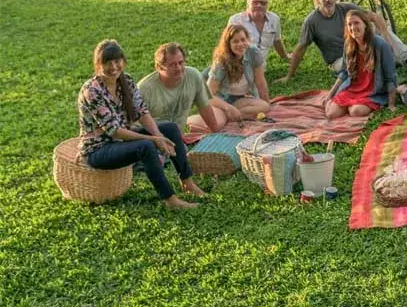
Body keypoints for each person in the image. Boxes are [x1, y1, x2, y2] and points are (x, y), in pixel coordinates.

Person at [77, 39, 203, 210]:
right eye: (108, 62)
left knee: (170, 129)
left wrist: (158, 135)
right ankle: (170, 200)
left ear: (123, 61)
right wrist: (153, 139)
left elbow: (142, 112)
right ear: (99, 64)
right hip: (99, 149)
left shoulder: (126, 81)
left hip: (121, 141)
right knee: (146, 145)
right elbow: (114, 131)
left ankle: (187, 182)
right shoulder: (91, 90)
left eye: (117, 60)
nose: (114, 66)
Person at [274, 0, 407, 84]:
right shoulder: (311, 21)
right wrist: (289, 76)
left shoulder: (346, 8)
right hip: (339, 60)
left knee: (384, 32)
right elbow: (300, 49)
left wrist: (386, 36)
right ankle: (386, 68)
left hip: (361, 47)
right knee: (360, 68)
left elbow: (374, 17)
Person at [138, 42, 240, 134]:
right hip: (152, 139)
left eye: (180, 63)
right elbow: (136, 126)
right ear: (159, 67)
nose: (178, 68)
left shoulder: (193, 76)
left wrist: (217, 133)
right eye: (172, 65)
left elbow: (205, 107)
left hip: (176, 137)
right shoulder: (144, 90)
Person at [321, 10, 397, 117]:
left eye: (356, 23)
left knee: (355, 112)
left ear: (365, 25)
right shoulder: (348, 45)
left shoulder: (381, 46)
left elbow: (391, 77)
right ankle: (349, 104)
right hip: (353, 88)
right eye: (349, 24)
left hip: (372, 92)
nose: (353, 27)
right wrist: (330, 95)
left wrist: (391, 104)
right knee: (331, 113)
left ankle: (361, 106)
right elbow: (344, 72)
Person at [207, 24, 271, 120]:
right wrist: (227, 107)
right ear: (228, 44)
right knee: (218, 123)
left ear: (247, 40)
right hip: (222, 100)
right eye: (235, 41)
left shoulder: (253, 53)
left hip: (240, 99)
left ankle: (232, 116)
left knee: (264, 106)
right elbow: (208, 94)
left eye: (243, 40)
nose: (240, 44)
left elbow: (260, 82)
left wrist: (267, 103)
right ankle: (228, 115)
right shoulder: (221, 61)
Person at [227, 0, 291, 65]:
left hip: (259, 67)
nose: (259, 5)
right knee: (213, 72)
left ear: (267, 5)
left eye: (263, 3)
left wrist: (285, 56)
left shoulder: (274, 19)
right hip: (238, 64)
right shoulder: (235, 20)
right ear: (248, 4)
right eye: (255, 2)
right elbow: (227, 44)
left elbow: (277, 40)